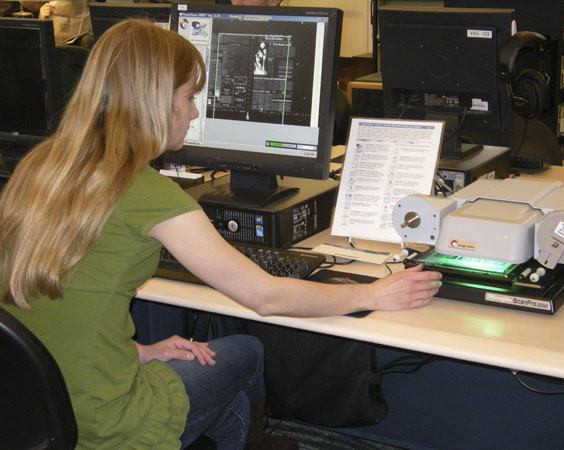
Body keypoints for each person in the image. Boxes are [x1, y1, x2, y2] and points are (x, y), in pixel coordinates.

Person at [0, 19, 442, 450]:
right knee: (245, 351)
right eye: (189, 96)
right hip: (105, 421)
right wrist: (372, 295)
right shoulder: (144, 191)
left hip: (33, 405)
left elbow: (55, 306)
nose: (194, 112)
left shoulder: (42, 166)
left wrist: (138, 351)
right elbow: (265, 298)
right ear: (154, 100)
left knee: (216, 389)